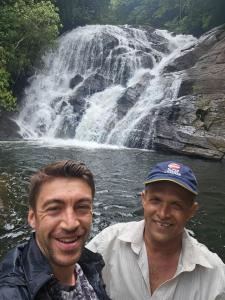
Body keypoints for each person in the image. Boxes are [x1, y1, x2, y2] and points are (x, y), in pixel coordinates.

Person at [87, 161, 225, 300]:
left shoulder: (215, 275)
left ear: (191, 211)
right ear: (144, 200)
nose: (163, 213)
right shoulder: (106, 244)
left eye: (176, 205)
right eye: (156, 200)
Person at [0, 160, 110, 300]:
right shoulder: (10, 293)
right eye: (54, 209)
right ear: (32, 217)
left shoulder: (90, 263)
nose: (70, 224)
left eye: (82, 207)